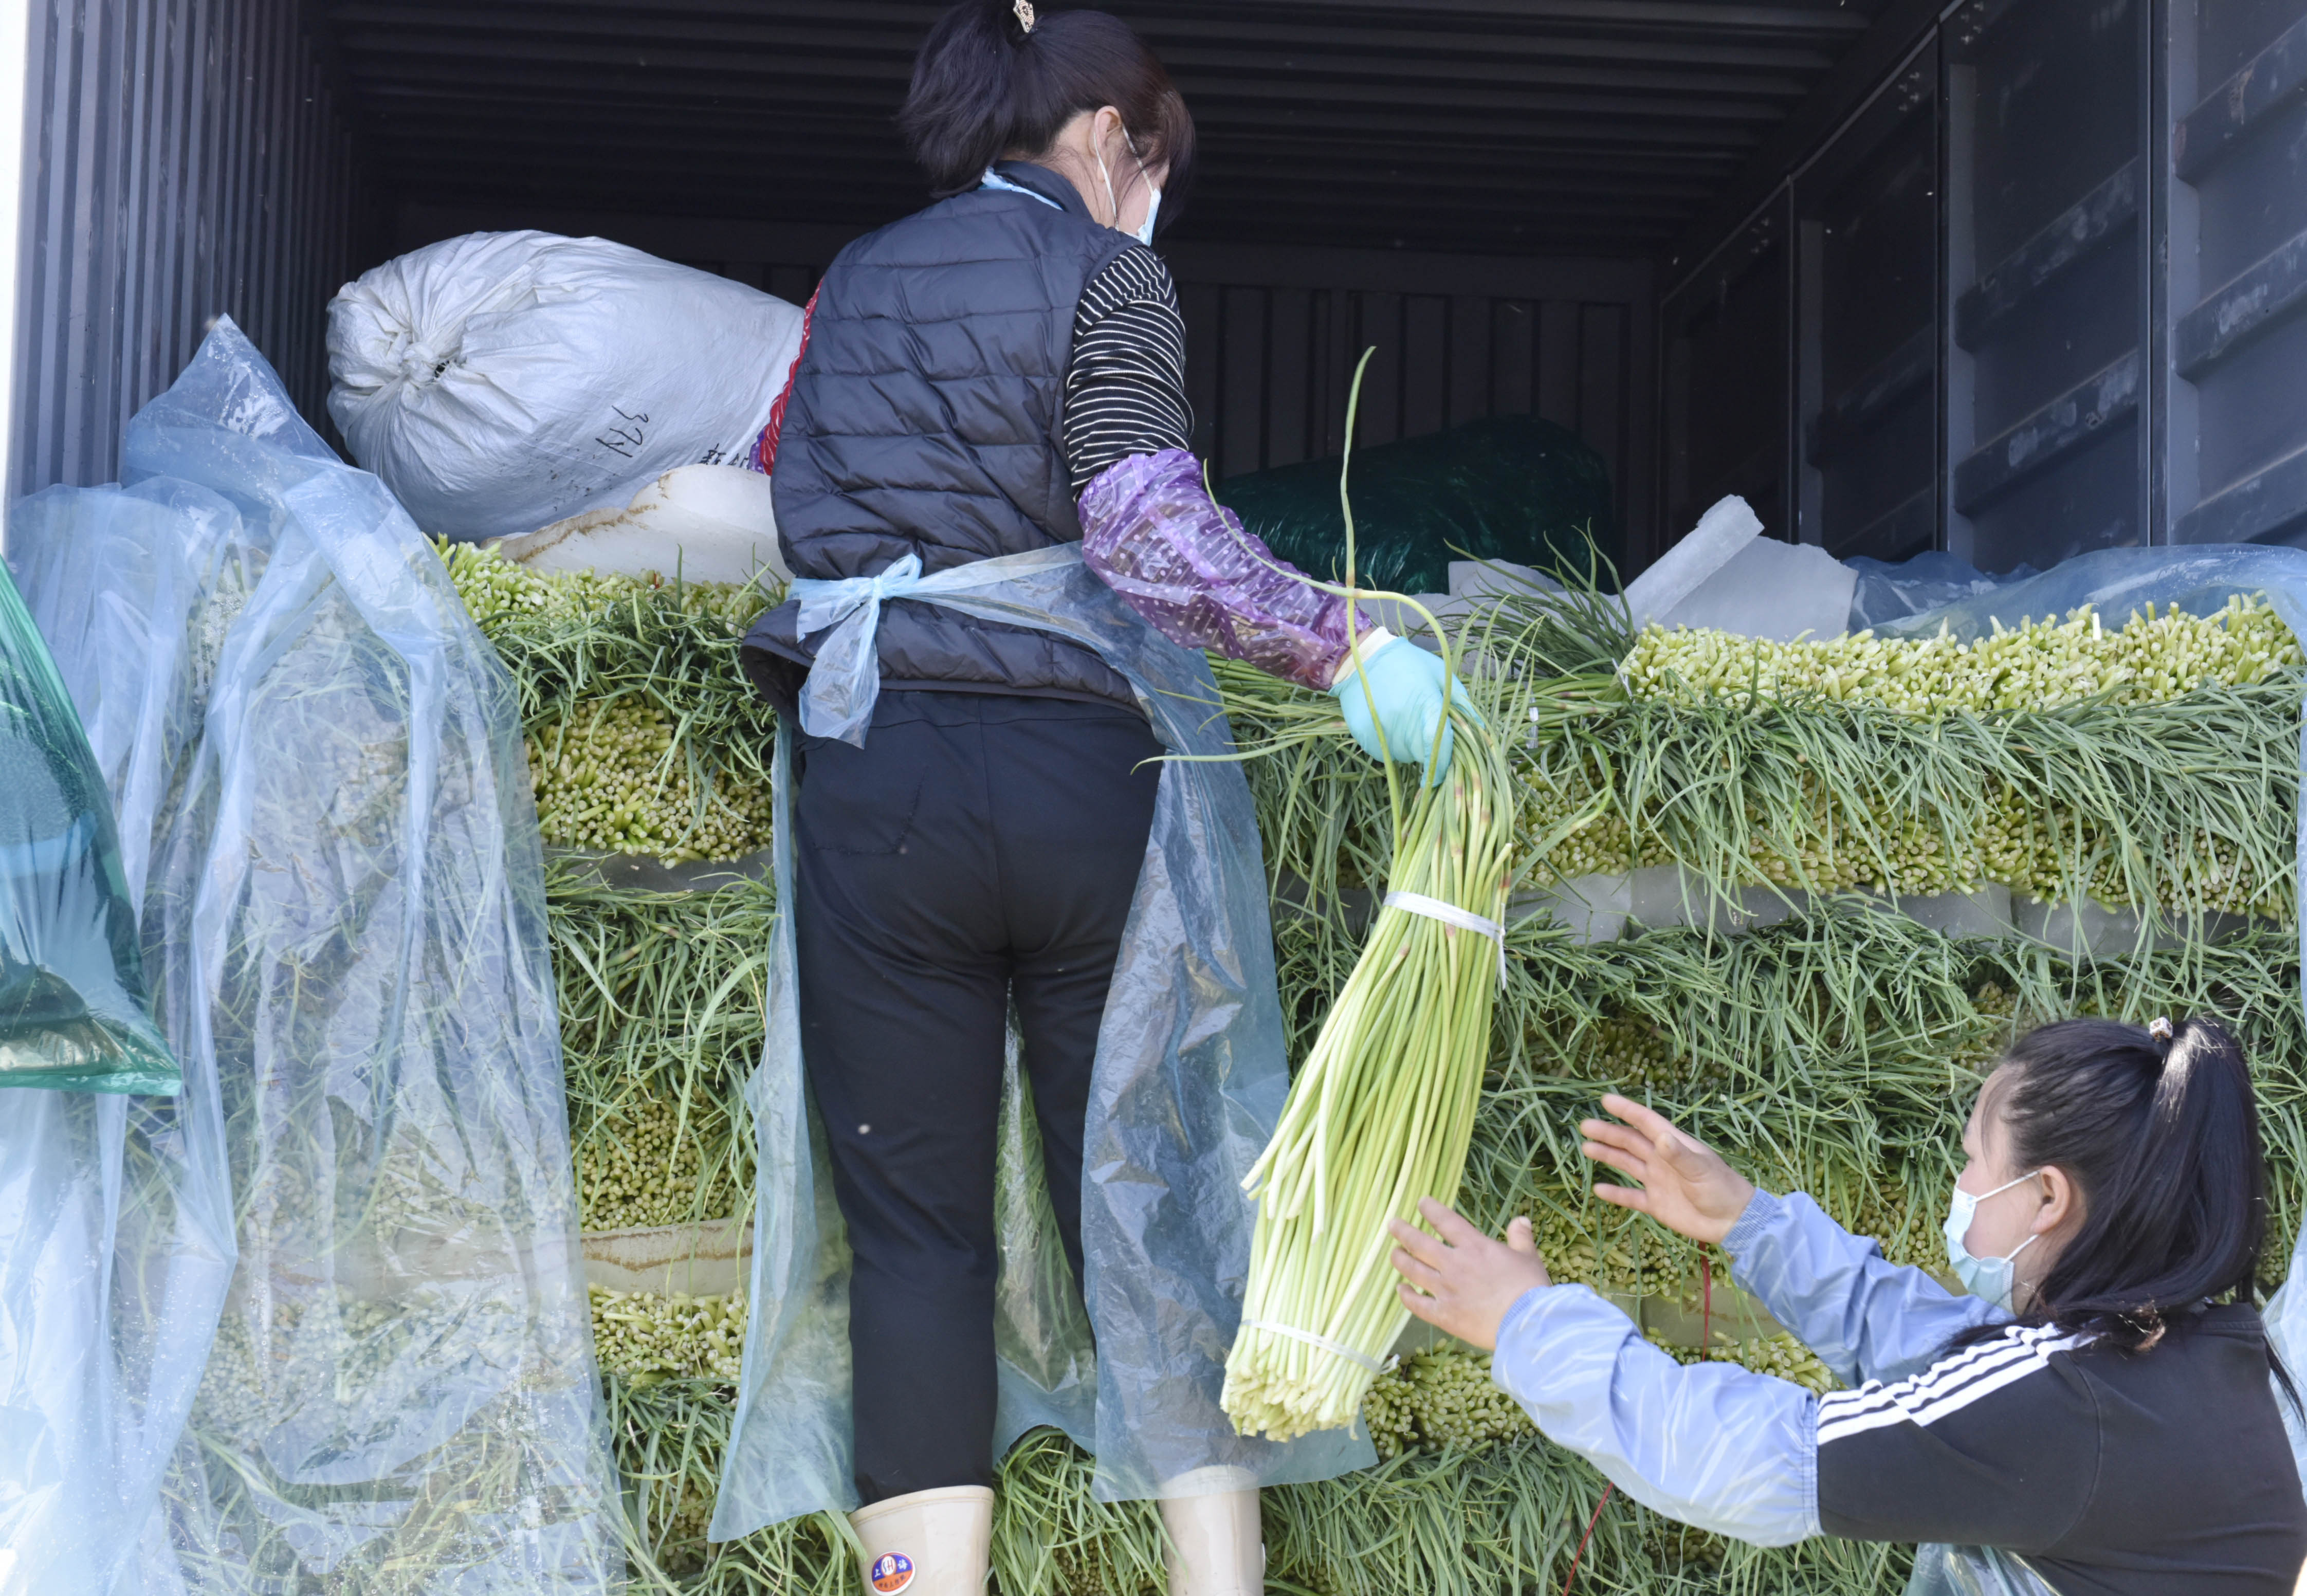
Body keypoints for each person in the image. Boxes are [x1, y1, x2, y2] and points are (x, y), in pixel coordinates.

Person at [738, 3, 1467, 1592]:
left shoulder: (857, 274)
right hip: (1079, 782)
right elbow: (1141, 526)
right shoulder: (1110, 272)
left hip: (883, 778)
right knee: (1143, 1200)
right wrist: (1344, 649)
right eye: (1160, 166)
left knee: (920, 1237)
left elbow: (777, 473)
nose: (1157, 201)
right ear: (1111, 143)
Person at [1386, 1016, 2307, 1594]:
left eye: (1974, 1158)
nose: (1960, 1182)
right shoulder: (2183, 1358)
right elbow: (1944, 1351)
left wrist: (1527, 1323)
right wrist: (1750, 1222)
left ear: (2048, 1199)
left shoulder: (2072, 1410)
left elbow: (1750, 1458)